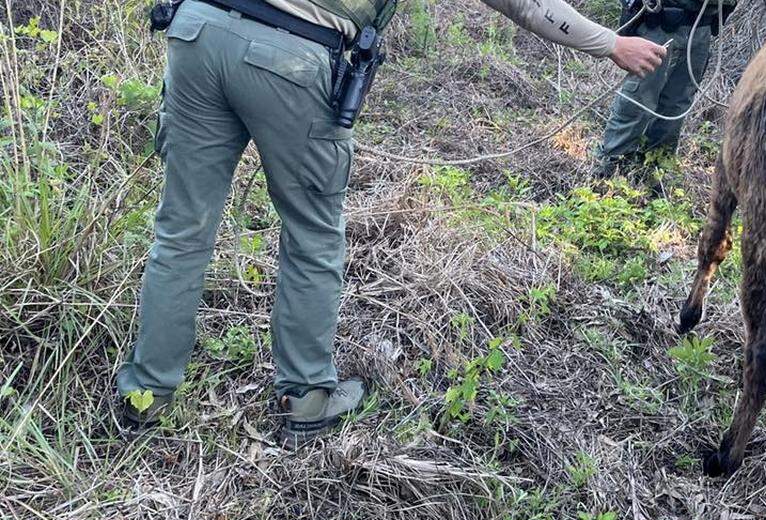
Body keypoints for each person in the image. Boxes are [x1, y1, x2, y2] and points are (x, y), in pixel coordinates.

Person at [117, 0, 667, 447]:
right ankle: (307, 400)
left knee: (182, 233)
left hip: (196, 30)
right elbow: (524, 5)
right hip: (290, 58)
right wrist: (611, 43)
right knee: (311, 237)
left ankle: (145, 395)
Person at [593, 0, 733, 180]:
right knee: (637, 100)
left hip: (700, 28)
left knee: (677, 105)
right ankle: (609, 172)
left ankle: (654, 172)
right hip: (658, 25)